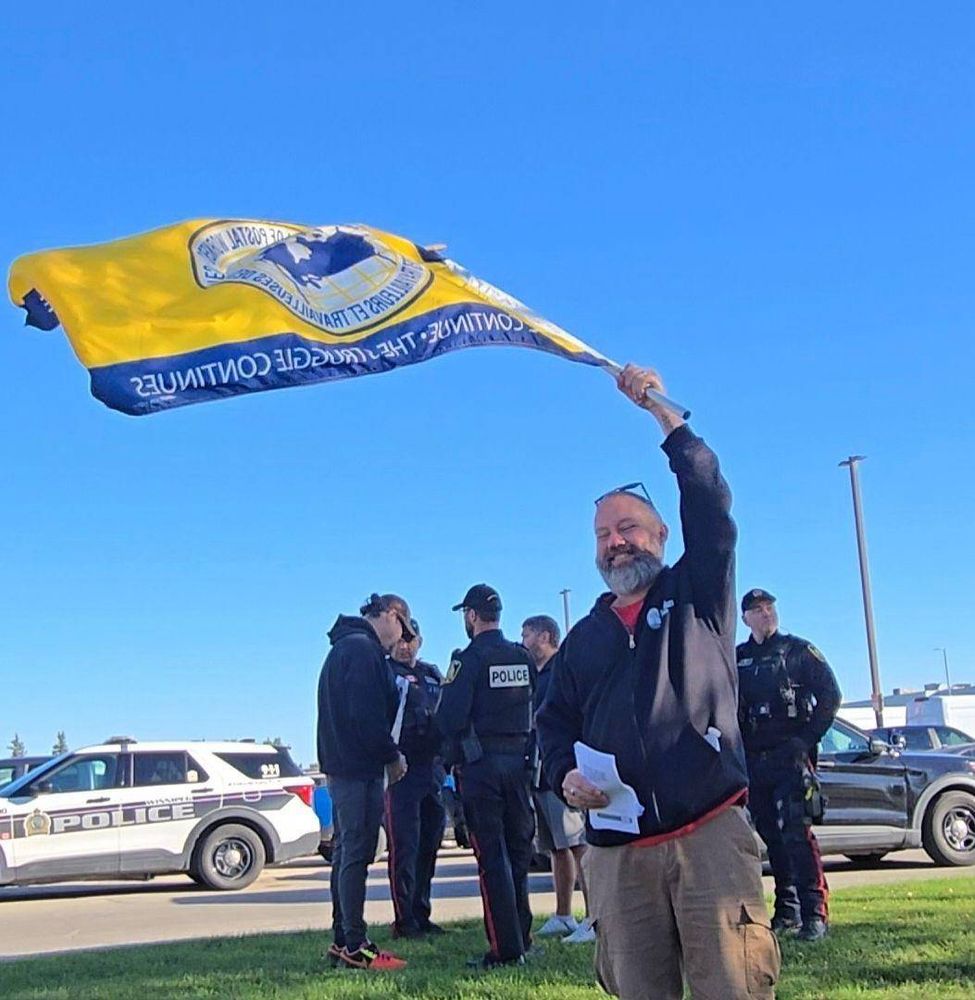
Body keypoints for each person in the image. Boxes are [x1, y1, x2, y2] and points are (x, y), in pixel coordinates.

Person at [537, 365, 781, 1000]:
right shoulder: (584, 637)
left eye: (628, 529)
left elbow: (709, 499)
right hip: (618, 859)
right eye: (604, 535)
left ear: (661, 536)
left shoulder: (698, 592)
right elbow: (553, 721)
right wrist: (564, 773)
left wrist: (662, 414)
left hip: (708, 839)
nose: (616, 543)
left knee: (733, 987)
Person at [435, 584, 537, 969]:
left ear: (472, 616)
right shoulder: (522, 657)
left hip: (481, 769)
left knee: (491, 858)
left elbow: (450, 718)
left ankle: (504, 949)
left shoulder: (468, 660)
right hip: (519, 767)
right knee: (518, 854)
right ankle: (522, 939)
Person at [737, 588, 842, 943]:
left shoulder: (798, 651)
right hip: (755, 760)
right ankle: (787, 909)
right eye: (758, 610)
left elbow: (831, 695)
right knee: (771, 836)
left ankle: (815, 913)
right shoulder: (738, 659)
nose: (766, 614)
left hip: (791, 757)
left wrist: (806, 740)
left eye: (769, 608)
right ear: (745, 618)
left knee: (797, 833)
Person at [317, 592, 413, 971]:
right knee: (356, 854)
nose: (401, 639)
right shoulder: (362, 650)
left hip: (341, 767)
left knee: (345, 854)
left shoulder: (344, 647)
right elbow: (367, 715)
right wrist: (391, 755)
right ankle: (356, 945)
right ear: (390, 615)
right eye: (401, 628)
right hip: (358, 769)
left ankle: (343, 939)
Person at [521, 614, 593, 944]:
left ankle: (594, 917)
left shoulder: (561, 670)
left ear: (546, 636)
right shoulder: (533, 677)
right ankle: (564, 914)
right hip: (539, 770)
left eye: (528, 634)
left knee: (578, 844)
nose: (523, 640)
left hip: (562, 771)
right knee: (555, 847)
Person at [385, 617, 448, 939]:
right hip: (402, 772)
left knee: (429, 845)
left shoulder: (432, 674)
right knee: (404, 847)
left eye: (411, 639)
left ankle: (422, 913)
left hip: (432, 770)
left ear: (420, 641)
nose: (405, 645)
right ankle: (404, 919)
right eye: (401, 639)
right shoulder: (385, 674)